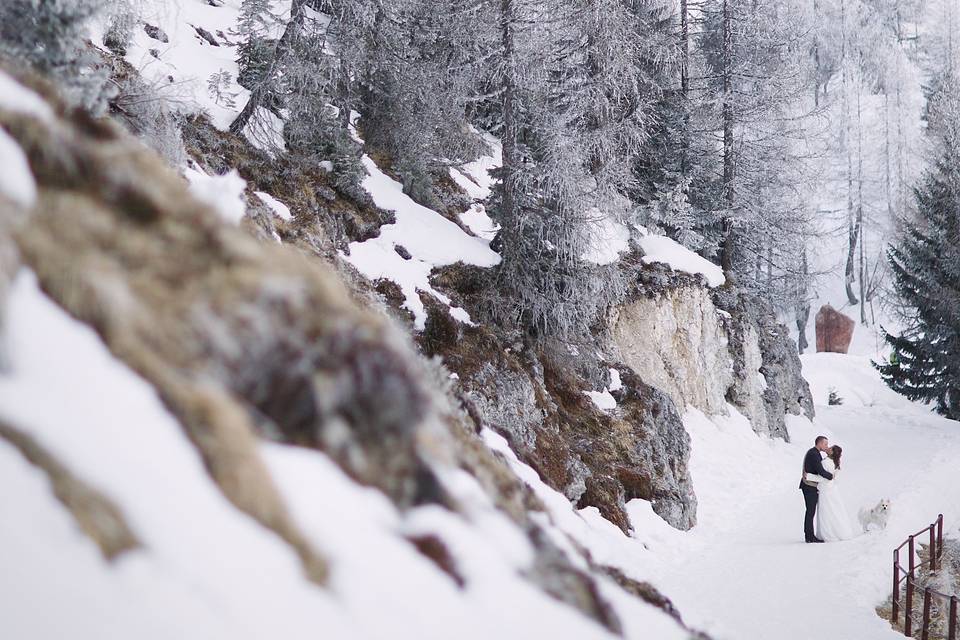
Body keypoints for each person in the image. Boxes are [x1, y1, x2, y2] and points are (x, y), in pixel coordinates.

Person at [805, 445, 856, 541]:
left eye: (830, 448)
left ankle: (828, 534)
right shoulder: (836, 463)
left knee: (826, 513)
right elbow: (833, 479)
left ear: (832, 452)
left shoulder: (825, 462)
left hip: (825, 491)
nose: (828, 447)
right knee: (835, 511)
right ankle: (840, 531)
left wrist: (808, 476)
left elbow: (823, 478)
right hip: (832, 490)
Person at [799, 436, 833, 543]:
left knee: (810, 511)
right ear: (820, 443)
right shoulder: (814, 454)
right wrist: (831, 476)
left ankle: (809, 535)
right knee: (810, 511)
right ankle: (809, 536)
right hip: (809, 486)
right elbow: (820, 471)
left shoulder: (814, 453)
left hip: (809, 486)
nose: (827, 447)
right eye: (825, 444)